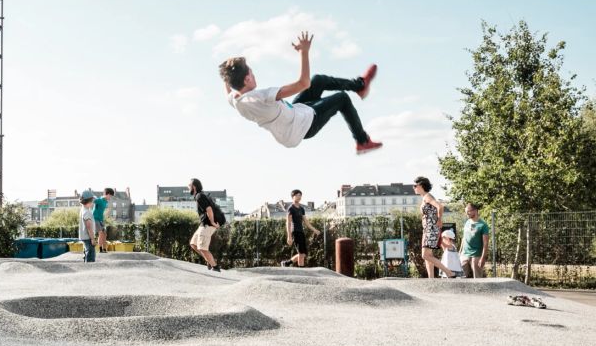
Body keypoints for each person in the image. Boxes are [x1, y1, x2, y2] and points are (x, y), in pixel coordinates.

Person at [219, 32, 381, 154]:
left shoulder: (237, 100)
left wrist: (227, 72)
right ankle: (362, 141)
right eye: (252, 74)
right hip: (303, 126)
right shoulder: (261, 97)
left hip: (294, 114)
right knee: (342, 98)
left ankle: (360, 86)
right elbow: (303, 83)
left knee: (318, 80)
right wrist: (304, 52)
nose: (255, 76)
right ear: (246, 79)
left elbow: (228, 90)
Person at [413, 176, 454, 279]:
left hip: (431, 228)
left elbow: (440, 206)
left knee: (425, 255)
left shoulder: (427, 196)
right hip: (427, 229)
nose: (413, 188)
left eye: (415, 186)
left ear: (421, 185)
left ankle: (449, 272)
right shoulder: (425, 198)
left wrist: (439, 219)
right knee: (428, 256)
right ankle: (431, 279)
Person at [188, 178, 222, 272]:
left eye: (189, 186)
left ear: (193, 187)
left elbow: (209, 210)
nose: (188, 188)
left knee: (202, 248)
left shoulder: (199, 196)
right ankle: (209, 260)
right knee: (193, 244)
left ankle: (215, 267)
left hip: (208, 225)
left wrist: (212, 222)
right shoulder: (199, 196)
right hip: (203, 224)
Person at [282, 189, 320, 268]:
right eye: (297, 195)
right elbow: (288, 223)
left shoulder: (302, 209)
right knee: (301, 253)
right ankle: (301, 269)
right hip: (295, 231)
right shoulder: (290, 209)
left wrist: (314, 230)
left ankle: (287, 263)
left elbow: (306, 222)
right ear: (293, 197)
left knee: (304, 253)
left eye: (300, 195)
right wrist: (289, 236)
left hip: (301, 231)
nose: (299, 197)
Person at [461, 203, 491, 279]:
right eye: (466, 211)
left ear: (475, 211)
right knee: (461, 277)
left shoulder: (483, 225)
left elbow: (486, 243)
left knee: (477, 279)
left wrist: (483, 258)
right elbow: (464, 237)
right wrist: (460, 251)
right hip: (464, 255)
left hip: (476, 255)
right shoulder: (467, 222)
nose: (467, 213)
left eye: (468, 211)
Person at [93, 187, 115, 252]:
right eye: (110, 195)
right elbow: (92, 200)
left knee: (105, 233)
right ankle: (100, 249)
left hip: (101, 219)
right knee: (101, 233)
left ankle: (104, 248)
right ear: (107, 194)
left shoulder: (105, 202)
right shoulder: (99, 200)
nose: (110, 197)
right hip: (95, 218)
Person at [79, 192, 97, 263]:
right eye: (92, 201)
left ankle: (85, 270)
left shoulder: (82, 209)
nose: (93, 203)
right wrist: (93, 239)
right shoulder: (87, 212)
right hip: (88, 238)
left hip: (84, 237)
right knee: (90, 256)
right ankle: (90, 271)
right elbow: (89, 226)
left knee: (86, 254)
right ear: (89, 201)